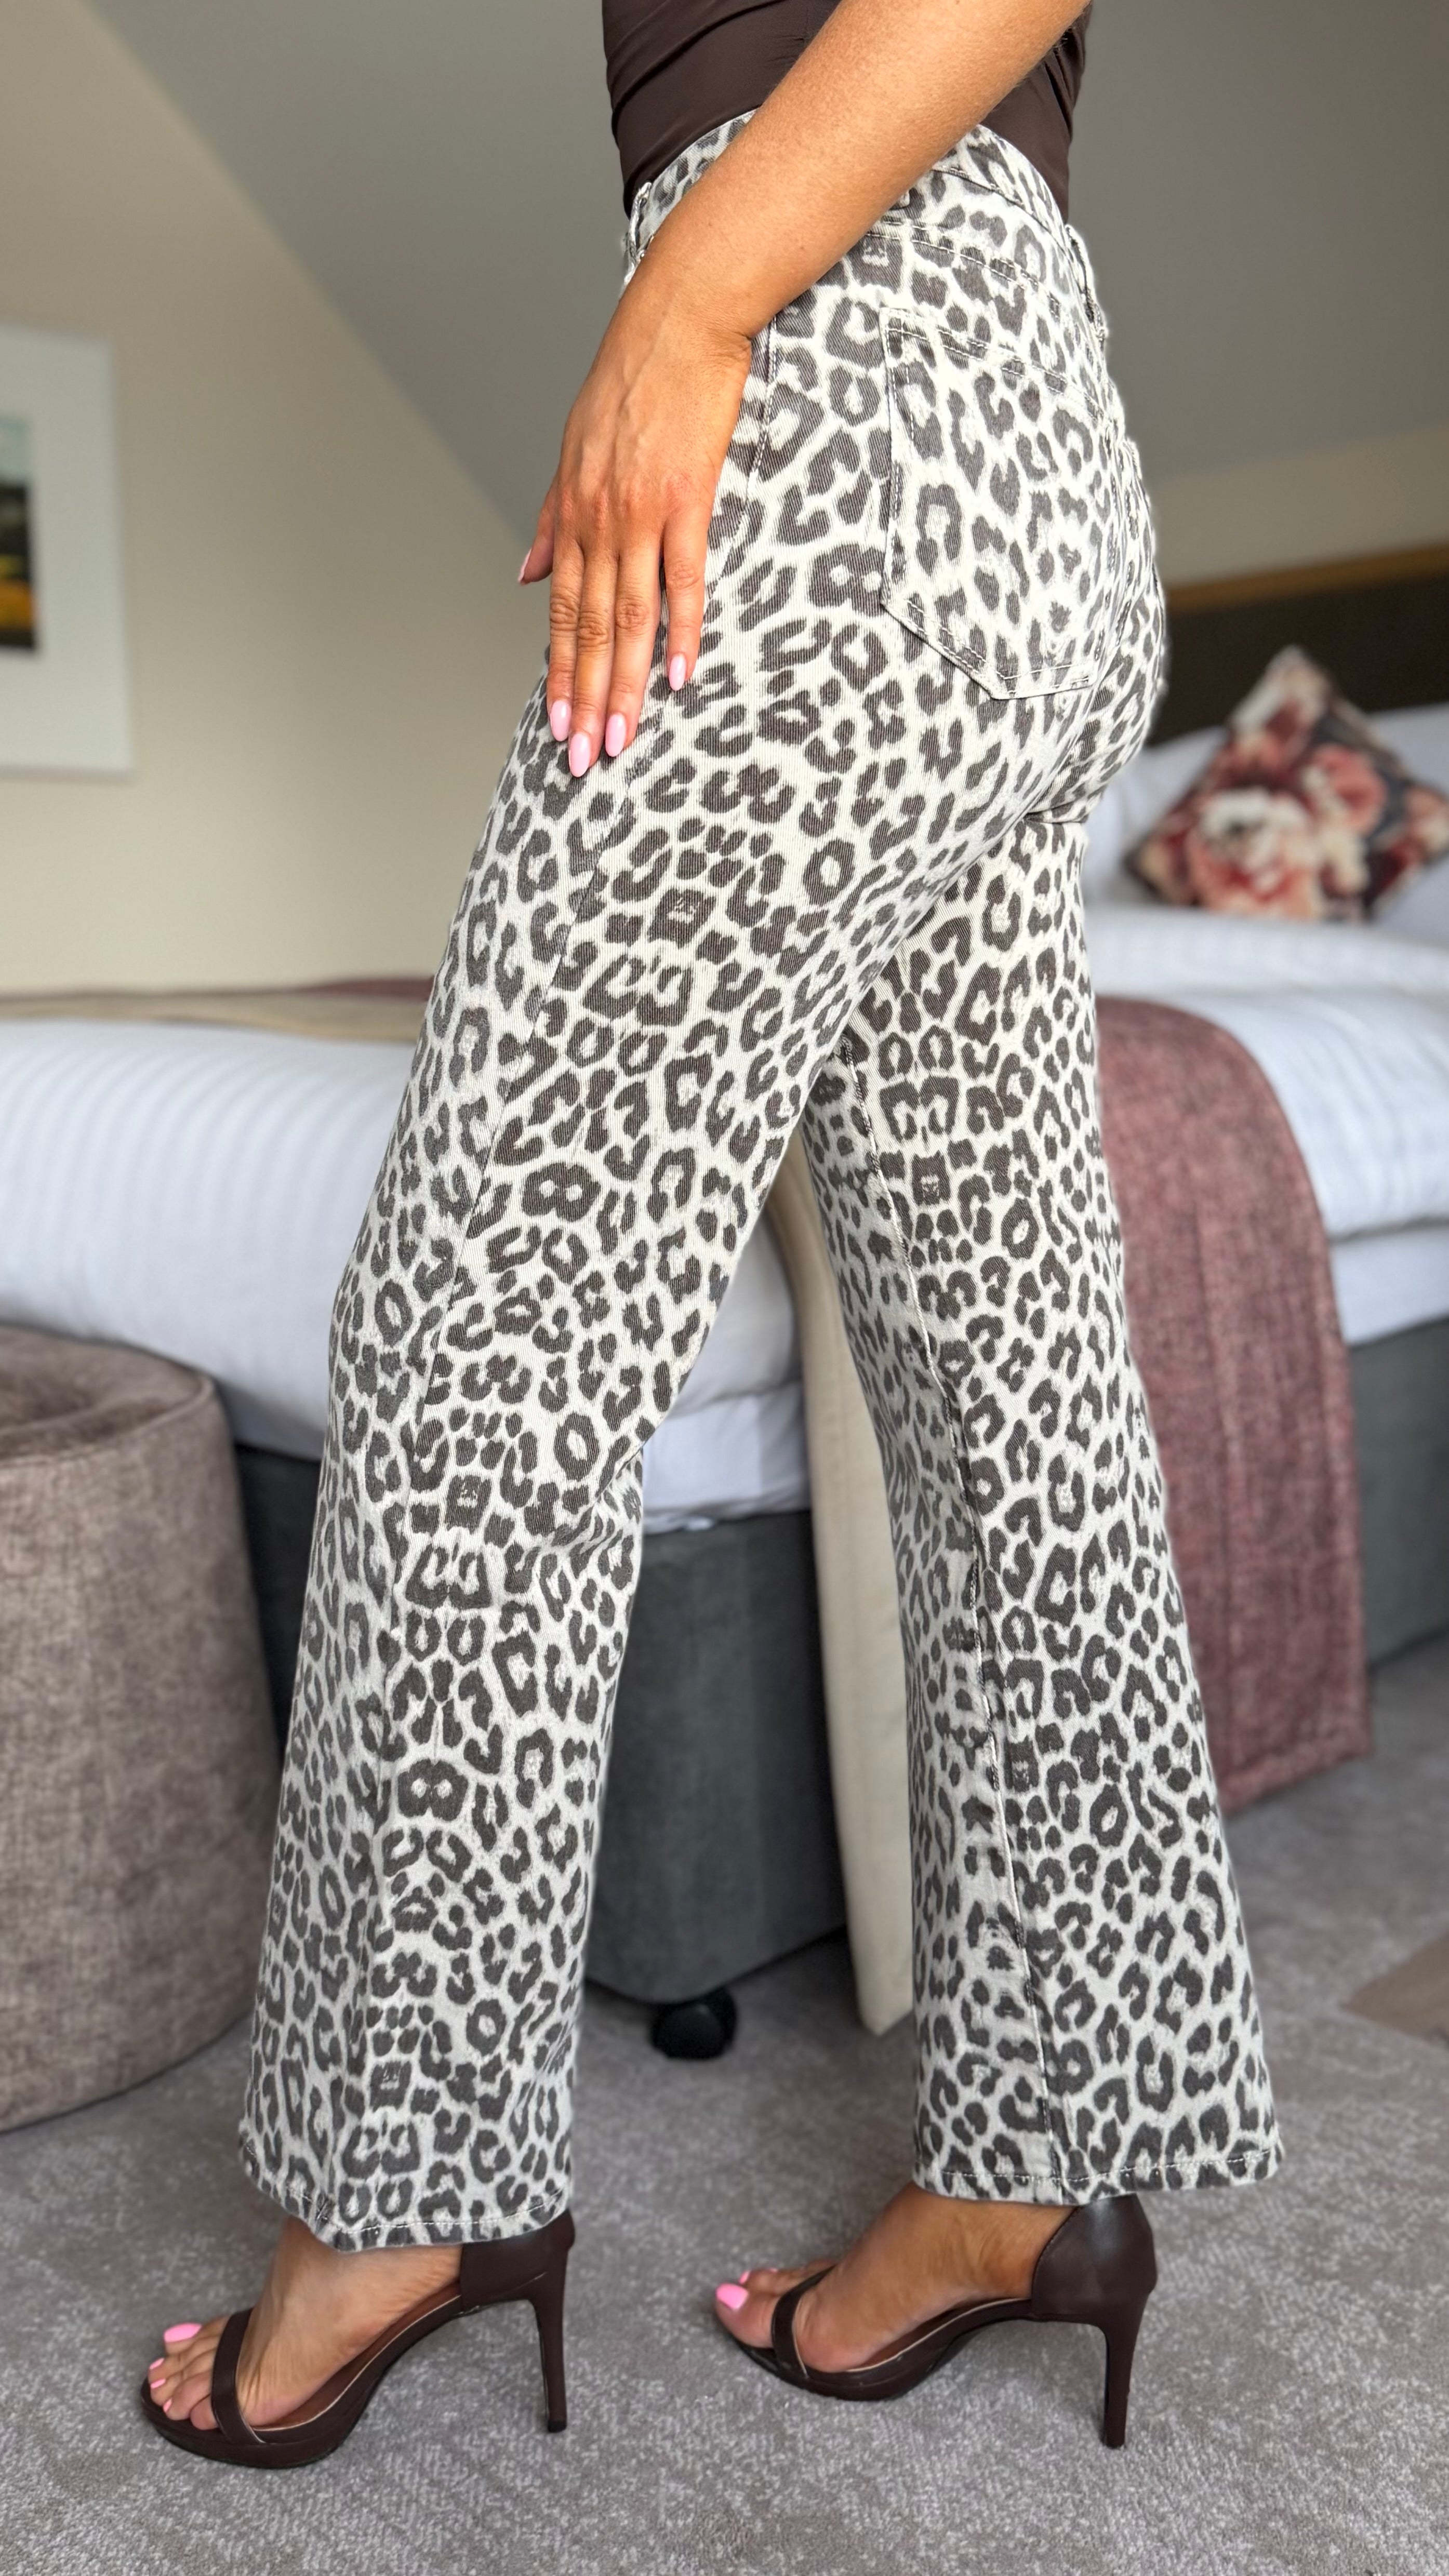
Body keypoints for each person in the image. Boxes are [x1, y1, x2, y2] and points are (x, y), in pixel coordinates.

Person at [141, 0, 1281, 2466]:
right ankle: (1036, 2170)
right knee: (1006, 1380)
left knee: (483, 1331)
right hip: (1028, 452)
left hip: (830, 396)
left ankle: (393, 2193)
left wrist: (683, 304)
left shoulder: (741, 303)